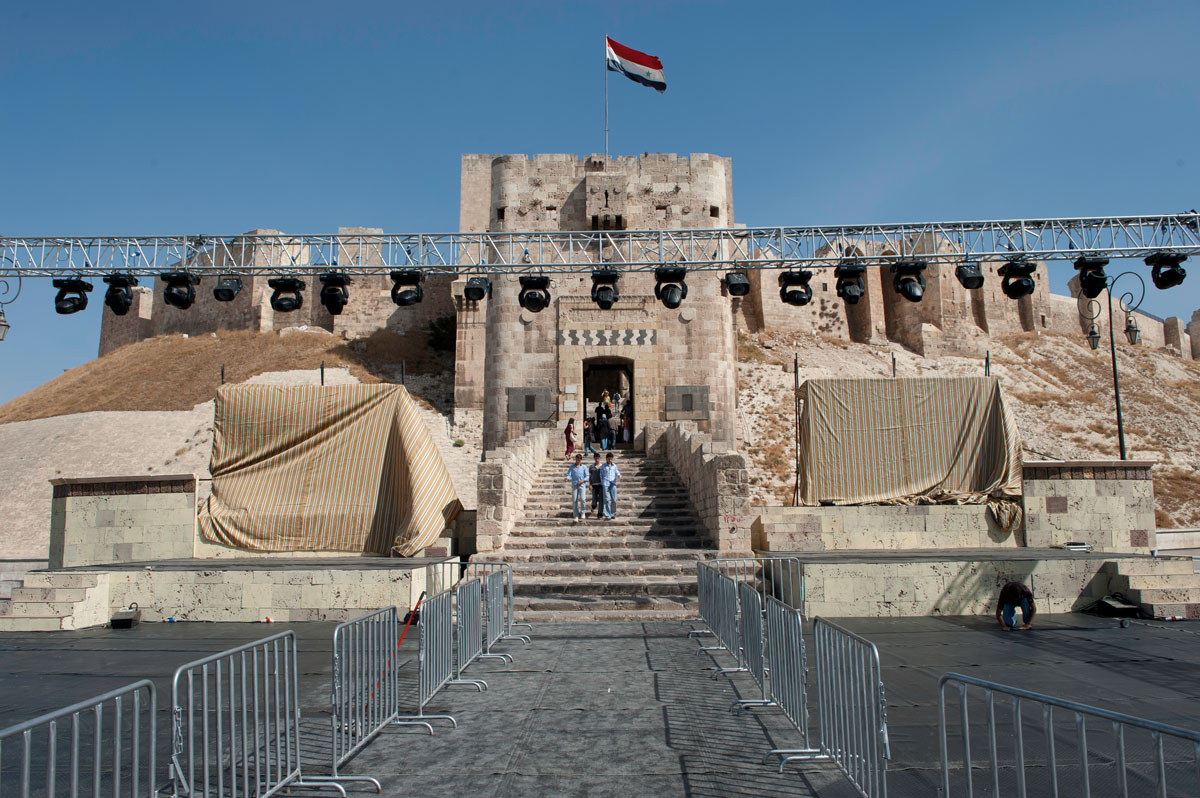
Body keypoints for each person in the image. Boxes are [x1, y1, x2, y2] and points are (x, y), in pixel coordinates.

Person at [564, 453, 589, 524]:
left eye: (579, 460)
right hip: (575, 485)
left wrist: (582, 481)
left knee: (583, 499)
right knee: (574, 500)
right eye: (577, 460)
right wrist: (567, 478)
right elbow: (569, 474)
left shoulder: (584, 467)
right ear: (575, 460)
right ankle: (576, 515)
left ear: (581, 460)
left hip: (582, 485)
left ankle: (583, 512)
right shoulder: (572, 467)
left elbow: (587, 476)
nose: (578, 461)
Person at [599, 452, 621, 520]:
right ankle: (607, 514)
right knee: (607, 499)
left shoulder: (614, 466)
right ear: (606, 459)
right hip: (606, 484)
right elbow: (601, 475)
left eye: (611, 459)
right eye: (608, 459)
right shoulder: (603, 466)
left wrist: (619, 475)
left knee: (614, 499)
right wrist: (603, 481)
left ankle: (613, 513)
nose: (610, 460)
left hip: (613, 483)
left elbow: (616, 472)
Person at [588, 452, 604, 519]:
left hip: (601, 485)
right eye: (596, 458)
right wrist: (590, 485)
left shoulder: (603, 466)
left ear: (600, 458)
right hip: (594, 485)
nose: (597, 459)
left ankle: (600, 514)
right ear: (594, 458)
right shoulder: (591, 467)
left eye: (598, 458)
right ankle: (593, 506)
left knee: (601, 500)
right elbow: (590, 476)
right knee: (594, 499)